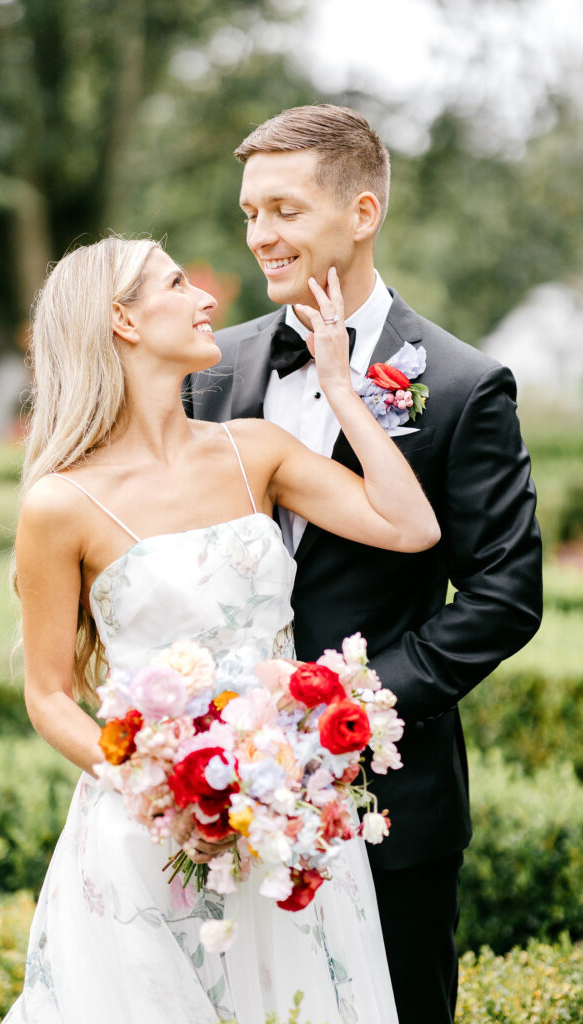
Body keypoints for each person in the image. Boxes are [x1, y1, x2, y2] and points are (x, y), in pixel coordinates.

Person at [4, 235, 440, 1024]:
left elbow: (410, 527)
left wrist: (340, 386)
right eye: (177, 283)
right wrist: (158, 790)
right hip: (155, 836)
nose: (208, 298)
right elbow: (49, 696)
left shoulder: (256, 452)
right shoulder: (58, 505)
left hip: (289, 825)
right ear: (123, 322)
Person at [186, 105, 542, 1024]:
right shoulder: (210, 373)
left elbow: (505, 596)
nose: (262, 236)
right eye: (249, 213)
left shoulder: (463, 387)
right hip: (224, 788)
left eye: (285, 211)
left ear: (362, 211)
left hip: (389, 796)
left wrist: (353, 703)